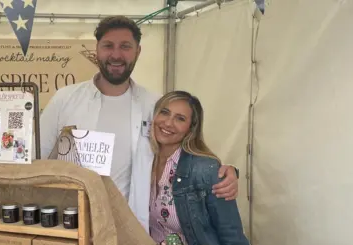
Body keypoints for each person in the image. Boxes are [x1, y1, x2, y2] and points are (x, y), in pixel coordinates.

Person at [39, 15, 239, 229]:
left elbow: (182, 156)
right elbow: (37, 157)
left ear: (138, 51)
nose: (116, 55)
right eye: (108, 46)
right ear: (97, 49)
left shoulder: (154, 105)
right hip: (72, 221)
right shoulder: (65, 99)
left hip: (130, 228)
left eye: (125, 46)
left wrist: (226, 171)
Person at [146, 90, 251, 245]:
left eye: (180, 118)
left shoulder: (205, 169)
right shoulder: (144, 161)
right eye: (164, 112)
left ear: (191, 128)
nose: (168, 123)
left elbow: (231, 235)